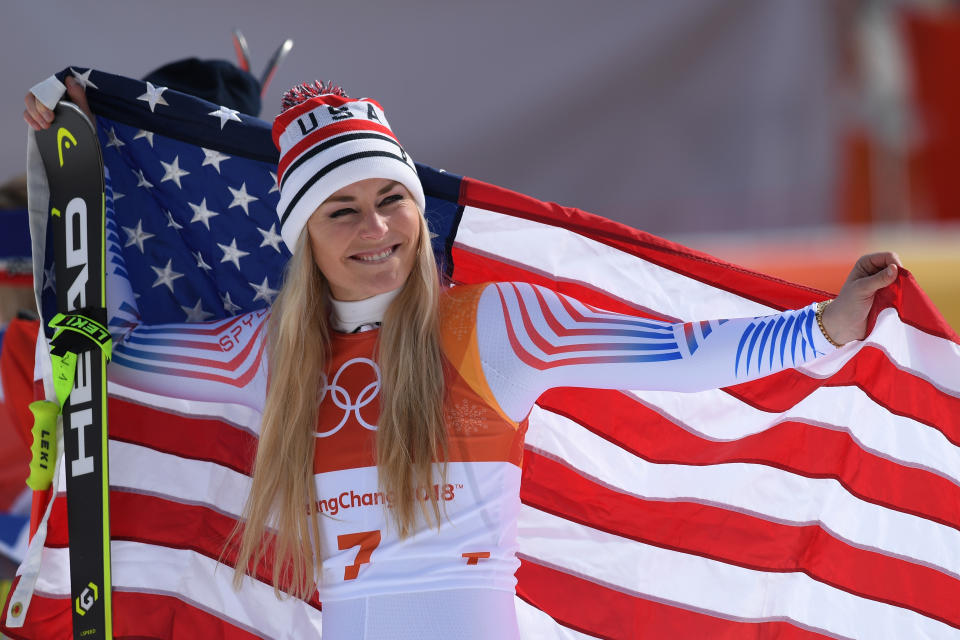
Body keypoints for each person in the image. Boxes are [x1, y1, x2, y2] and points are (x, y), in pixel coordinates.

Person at [24, 80, 901, 639]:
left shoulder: (493, 326)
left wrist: (823, 325)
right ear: (304, 238)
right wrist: (83, 180)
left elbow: (684, 353)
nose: (377, 229)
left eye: (391, 200)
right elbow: (113, 352)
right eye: (343, 212)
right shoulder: (268, 352)